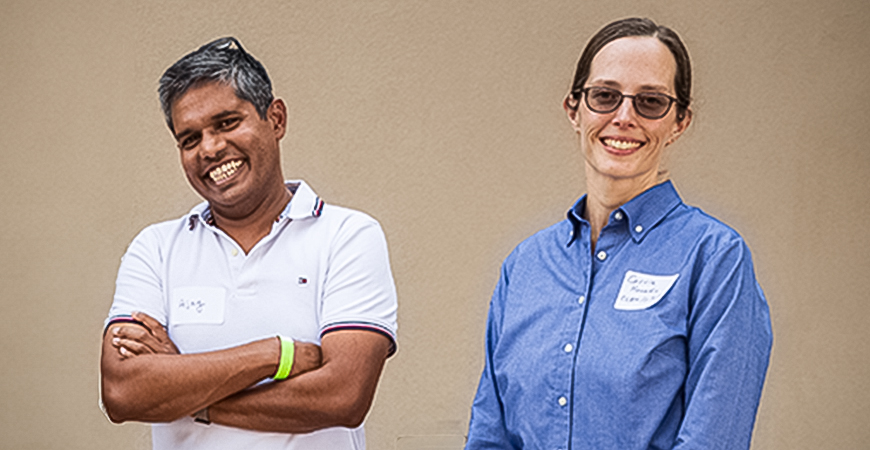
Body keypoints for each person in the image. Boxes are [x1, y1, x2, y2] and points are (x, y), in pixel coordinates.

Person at [465, 18, 772, 450]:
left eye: (650, 102)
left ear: (680, 122)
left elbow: (713, 440)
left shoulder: (714, 259)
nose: (624, 118)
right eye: (605, 96)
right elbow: (489, 435)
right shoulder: (526, 266)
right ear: (574, 110)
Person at [100, 37, 398, 450]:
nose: (211, 148)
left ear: (275, 119)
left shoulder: (347, 236)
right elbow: (121, 392)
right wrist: (277, 354)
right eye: (190, 138)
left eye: (226, 123)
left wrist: (187, 393)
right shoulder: (156, 249)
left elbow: (342, 396)